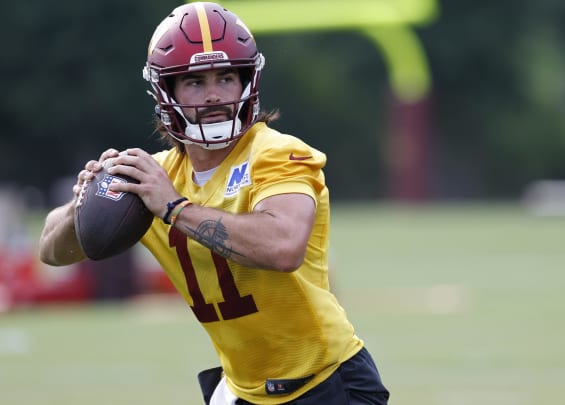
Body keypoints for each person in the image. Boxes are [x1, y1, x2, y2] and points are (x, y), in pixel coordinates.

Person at [37, 2, 389, 404]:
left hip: (325, 383)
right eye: (194, 82)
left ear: (246, 84)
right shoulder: (154, 177)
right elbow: (51, 251)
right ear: (166, 92)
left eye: (225, 78)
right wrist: (81, 204)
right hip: (244, 390)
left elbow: (283, 246)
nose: (214, 96)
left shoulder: (277, 154)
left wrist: (174, 208)